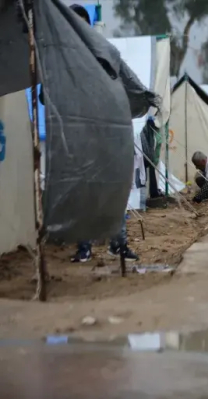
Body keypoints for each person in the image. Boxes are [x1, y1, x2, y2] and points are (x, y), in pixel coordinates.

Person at [69, 4, 139, 263]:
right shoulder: (62, 58)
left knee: (114, 190)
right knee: (83, 192)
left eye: (78, 24)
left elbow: (119, 85)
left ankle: (118, 244)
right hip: (78, 135)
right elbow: (46, 94)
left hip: (107, 131)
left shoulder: (104, 51)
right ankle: (84, 246)